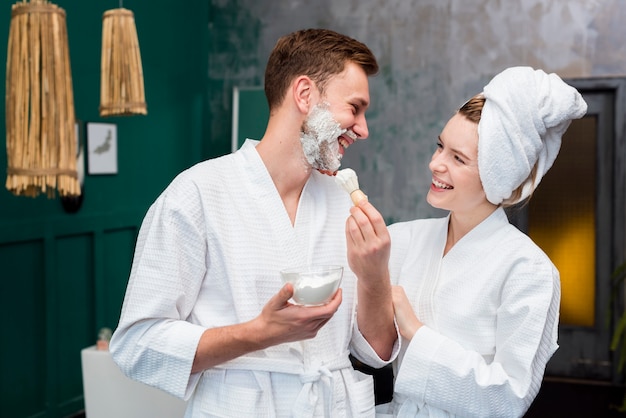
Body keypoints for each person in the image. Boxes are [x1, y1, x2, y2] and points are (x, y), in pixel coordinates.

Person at [109, 28, 398, 417]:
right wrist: (259, 334)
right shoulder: (197, 194)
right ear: (304, 94)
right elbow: (137, 345)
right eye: (355, 107)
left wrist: (375, 274)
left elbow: (376, 353)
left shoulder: (342, 203)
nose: (364, 129)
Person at [347, 66, 587, 417]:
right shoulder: (400, 240)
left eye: (457, 158)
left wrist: (416, 330)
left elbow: (509, 399)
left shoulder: (529, 271)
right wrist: (370, 281)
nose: (435, 164)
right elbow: (367, 349)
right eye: (440, 147)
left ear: (498, 176)